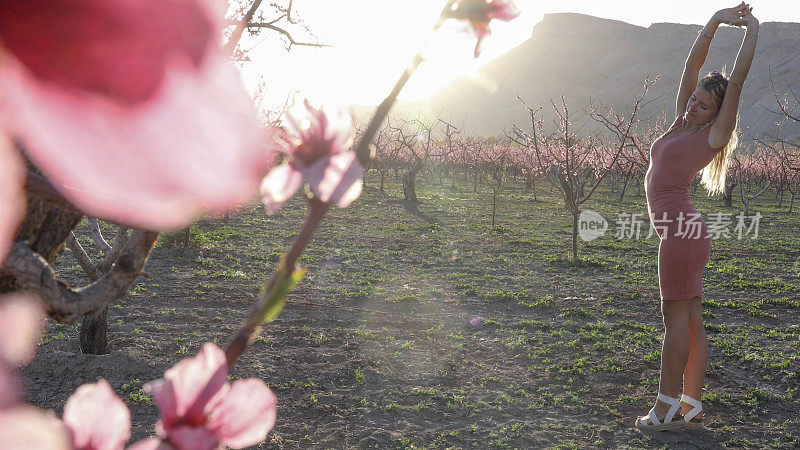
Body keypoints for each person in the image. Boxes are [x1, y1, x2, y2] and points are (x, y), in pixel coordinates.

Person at [635, 2, 759, 431]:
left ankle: (667, 407)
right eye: (694, 99)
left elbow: (737, 81)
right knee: (690, 320)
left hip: (682, 235)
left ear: (718, 114)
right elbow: (693, 62)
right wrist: (717, 20)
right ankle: (690, 402)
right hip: (682, 233)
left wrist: (753, 31)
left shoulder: (713, 135)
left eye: (704, 105)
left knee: (676, 322)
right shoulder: (681, 123)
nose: (693, 107)